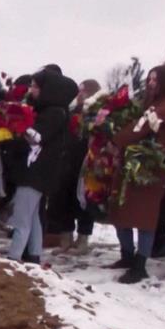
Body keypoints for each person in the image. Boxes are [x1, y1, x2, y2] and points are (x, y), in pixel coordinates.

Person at [107, 64, 165, 283]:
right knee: (122, 210)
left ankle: (140, 263)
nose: (150, 82)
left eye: (155, 79)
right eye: (149, 78)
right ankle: (127, 255)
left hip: (151, 166)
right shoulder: (150, 103)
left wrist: (116, 141)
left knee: (145, 216)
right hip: (134, 162)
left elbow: (142, 125)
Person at [5, 70, 78, 263]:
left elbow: (36, 137)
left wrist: (15, 123)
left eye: (36, 87)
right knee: (33, 217)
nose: (32, 90)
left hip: (35, 172)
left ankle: (14, 256)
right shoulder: (49, 110)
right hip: (36, 171)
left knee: (22, 216)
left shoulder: (54, 113)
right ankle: (34, 254)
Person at [50, 79, 101, 255]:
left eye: (84, 91)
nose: (80, 95)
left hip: (88, 162)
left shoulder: (98, 113)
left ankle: (83, 239)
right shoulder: (70, 111)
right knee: (65, 198)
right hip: (68, 161)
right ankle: (66, 238)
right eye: (79, 91)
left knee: (84, 202)